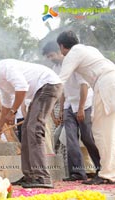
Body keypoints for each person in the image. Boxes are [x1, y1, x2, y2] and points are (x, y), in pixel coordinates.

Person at [0, 55, 62, 188]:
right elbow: (6, 104)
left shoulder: (4, 67)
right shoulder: (0, 81)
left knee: (34, 129)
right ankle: (30, 175)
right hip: (41, 90)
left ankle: (42, 176)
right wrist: (0, 126)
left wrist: (13, 112)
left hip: (48, 85)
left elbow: (22, 87)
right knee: (25, 130)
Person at [57, 30, 115, 184]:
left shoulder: (73, 54)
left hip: (106, 83)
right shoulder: (89, 49)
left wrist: (44, 104)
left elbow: (60, 81)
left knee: (101, 131)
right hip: (110, 79)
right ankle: (109, 172)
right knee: (108, 131)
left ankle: (106, 174)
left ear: (62, 46)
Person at [42, 41, 100, 181]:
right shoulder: (56, 68)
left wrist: (80, 108)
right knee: (70, 140)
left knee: (87, 138)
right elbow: (61, 90)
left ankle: (101, 168)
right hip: (68, 105)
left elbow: (84, 87)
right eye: (48, 57)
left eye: (52, 55)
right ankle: (77, 173)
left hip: (84, 104)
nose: (51, 59)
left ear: (60, 50)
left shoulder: (74, 62)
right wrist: (61, 110)